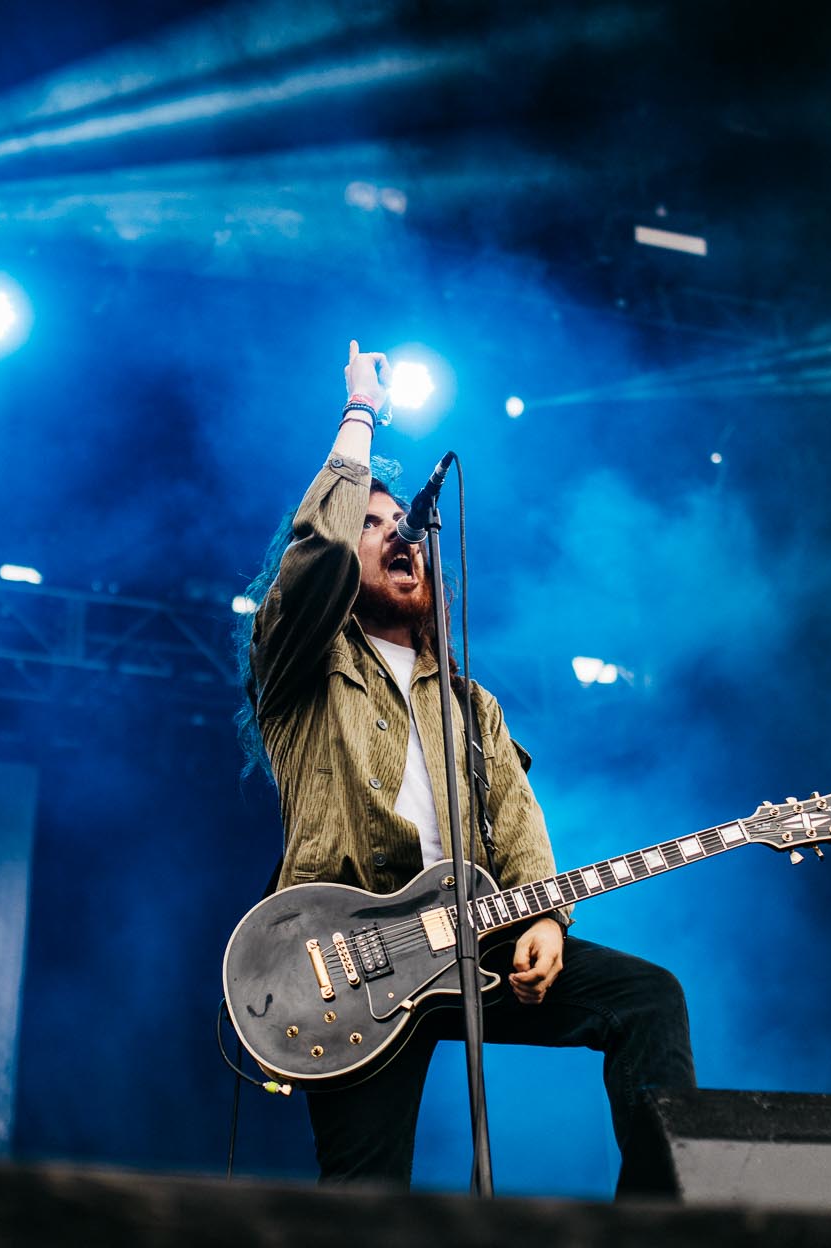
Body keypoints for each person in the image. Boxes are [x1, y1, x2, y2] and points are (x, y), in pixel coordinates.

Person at [236, 343, 697, 1196]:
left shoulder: (470, 704)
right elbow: (317, 557)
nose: (396, 533)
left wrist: (548, 917)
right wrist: (360, 416)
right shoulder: (305, 663)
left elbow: (519, 828)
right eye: (373, 525)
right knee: (364, 1200)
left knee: (648, 999)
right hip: (348, 962)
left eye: (402, 526)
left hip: (468, 939)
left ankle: (656, 1241)